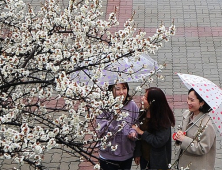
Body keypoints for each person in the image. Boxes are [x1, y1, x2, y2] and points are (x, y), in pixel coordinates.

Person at [96, 82, 139, 170]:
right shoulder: (103, 106)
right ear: (111, 90)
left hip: (126, 154)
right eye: (118, 89)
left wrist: (133, 132)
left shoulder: (132, 105)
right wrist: (115, 118)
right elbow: (101, 130)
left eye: (124, 88)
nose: (122, 92)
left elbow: (136, 123)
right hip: (108, 155)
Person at [132, 87, 175, 170]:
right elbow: (138, 135)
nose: (142, 98)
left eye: (145, 98)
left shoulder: (164, 120)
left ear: (153, 102)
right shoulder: (143, 111)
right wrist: (137, 153)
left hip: (158, 162)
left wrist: (142, 132)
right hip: (144, 158)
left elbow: (159, 141)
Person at [174, 88, 216, 170]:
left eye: (192, 100)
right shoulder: (187, 114)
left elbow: (203, 148)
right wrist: (178, 134)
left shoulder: (207, 125)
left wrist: (184, 139)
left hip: (197, 166)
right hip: (183, 163)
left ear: (201, 103)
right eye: (188, 98)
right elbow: (180, 128)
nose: (188, 102)